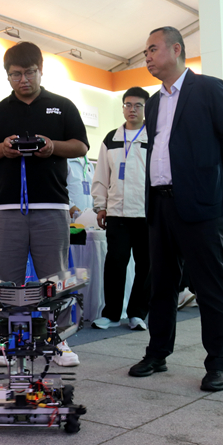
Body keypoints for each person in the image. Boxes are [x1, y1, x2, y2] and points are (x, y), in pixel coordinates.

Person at [127, 27, 223, 392]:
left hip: (199, 203)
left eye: (152, 49)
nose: (147, 56)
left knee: (209, 286)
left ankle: (218, 364)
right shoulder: (153, 102)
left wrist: (204, 180)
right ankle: (157, 353)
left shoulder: (209, 88)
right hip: (160, 205)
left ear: (176, 49)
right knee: (160, 284)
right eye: (145, 52)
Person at [0, 41, 89, 367]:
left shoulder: (62, 106)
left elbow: (81, 146)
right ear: (7, 75)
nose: (23, 79)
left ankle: (59, 340)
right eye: (15, 74)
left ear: (41, 70)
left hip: (52, 205)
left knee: (54, 278)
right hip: (6, 207)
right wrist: (3, 149)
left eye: (29, 72)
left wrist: (52, 146)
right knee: (6, 281)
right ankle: (3, 341)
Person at [91, 86, 151, 331]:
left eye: (138, 105)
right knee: (115, 264)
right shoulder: (111, 138)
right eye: (128, 104)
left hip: (147, 213)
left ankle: (137, 314)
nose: (132, 109)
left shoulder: (154, 136)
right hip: (117, 213)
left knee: (146, 266)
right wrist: (100, 205)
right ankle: (112, 314)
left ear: (146, 108)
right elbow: (101, 175)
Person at [66, 155, 93, 220]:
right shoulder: (66, 161)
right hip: (71, 216)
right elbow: (59, 186)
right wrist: (70, 205)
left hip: (88, 218)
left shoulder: (89, 164)